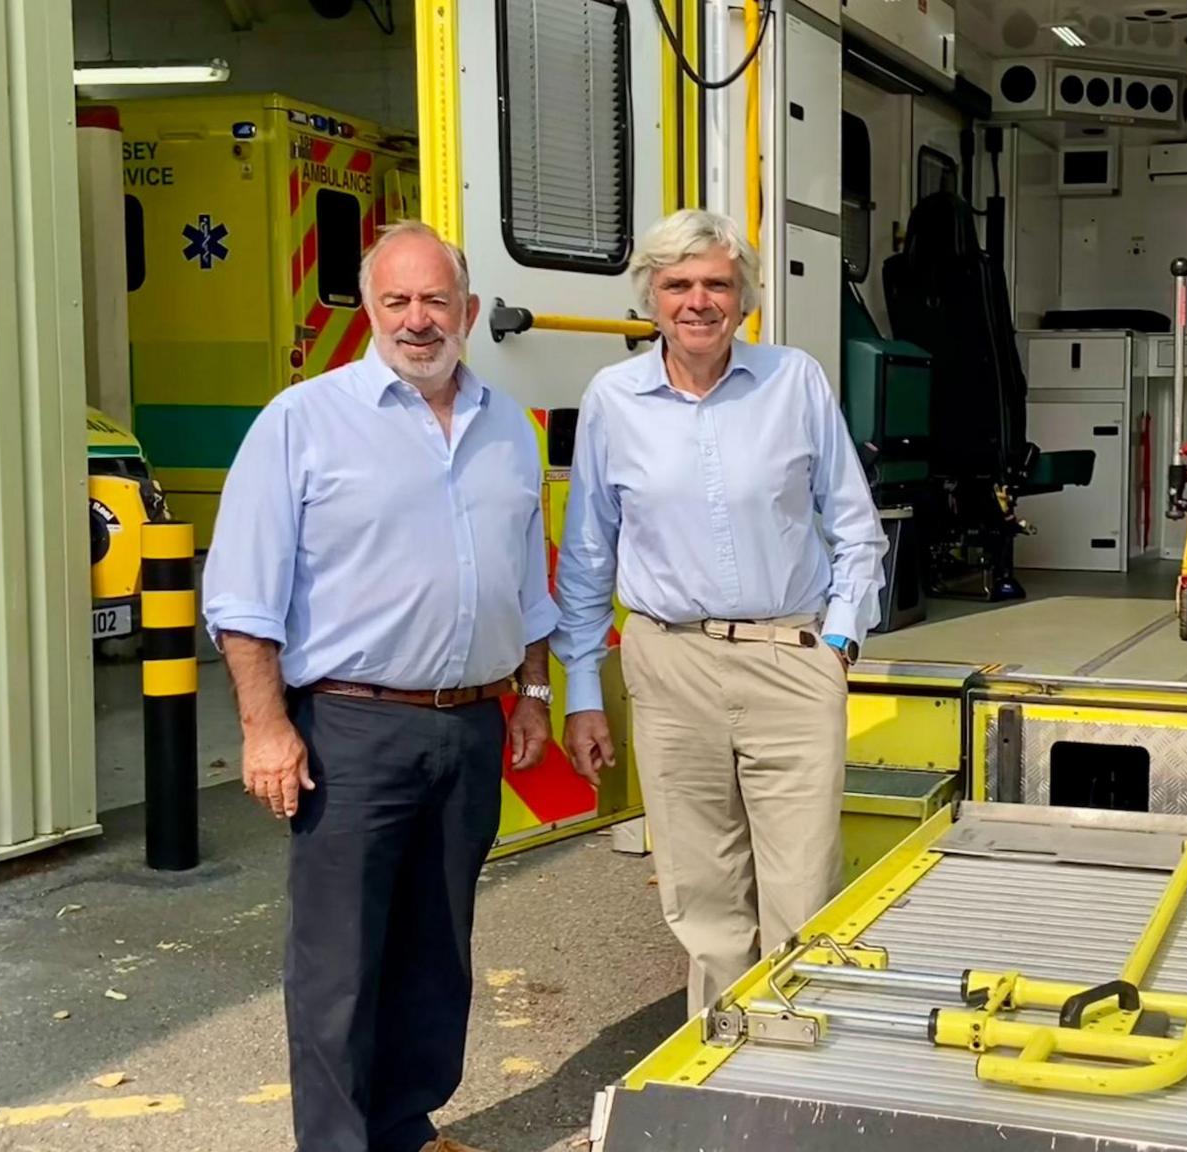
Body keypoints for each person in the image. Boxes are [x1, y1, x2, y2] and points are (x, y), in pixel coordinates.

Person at [203, 219, 556, 1152]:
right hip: (351, 731)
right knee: (339, 964)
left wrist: (532, 689)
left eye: (436, 300)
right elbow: (242, 595)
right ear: (368, 311)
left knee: (437, 953)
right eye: (396, 301)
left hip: (471, 727)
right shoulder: (303, 420)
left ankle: (406, 1124)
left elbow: (525, 580)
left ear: (469, 312)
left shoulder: (507, 427)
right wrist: (266, 727)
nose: (417, 319)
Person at [553, 208, 886, 1017]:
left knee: (804, 886)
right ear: (651, 298)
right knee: (701, 893)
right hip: (669, 664)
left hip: (789, 656)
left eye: (717, 284)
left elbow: (854, 528)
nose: (698, 301)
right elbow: (589, 552)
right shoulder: (613, 399)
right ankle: (726, 1063)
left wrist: (837, 640)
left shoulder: (793, 379)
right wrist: (584, 692)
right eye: (678, 284)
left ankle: (800, 1071)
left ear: (745, 299)